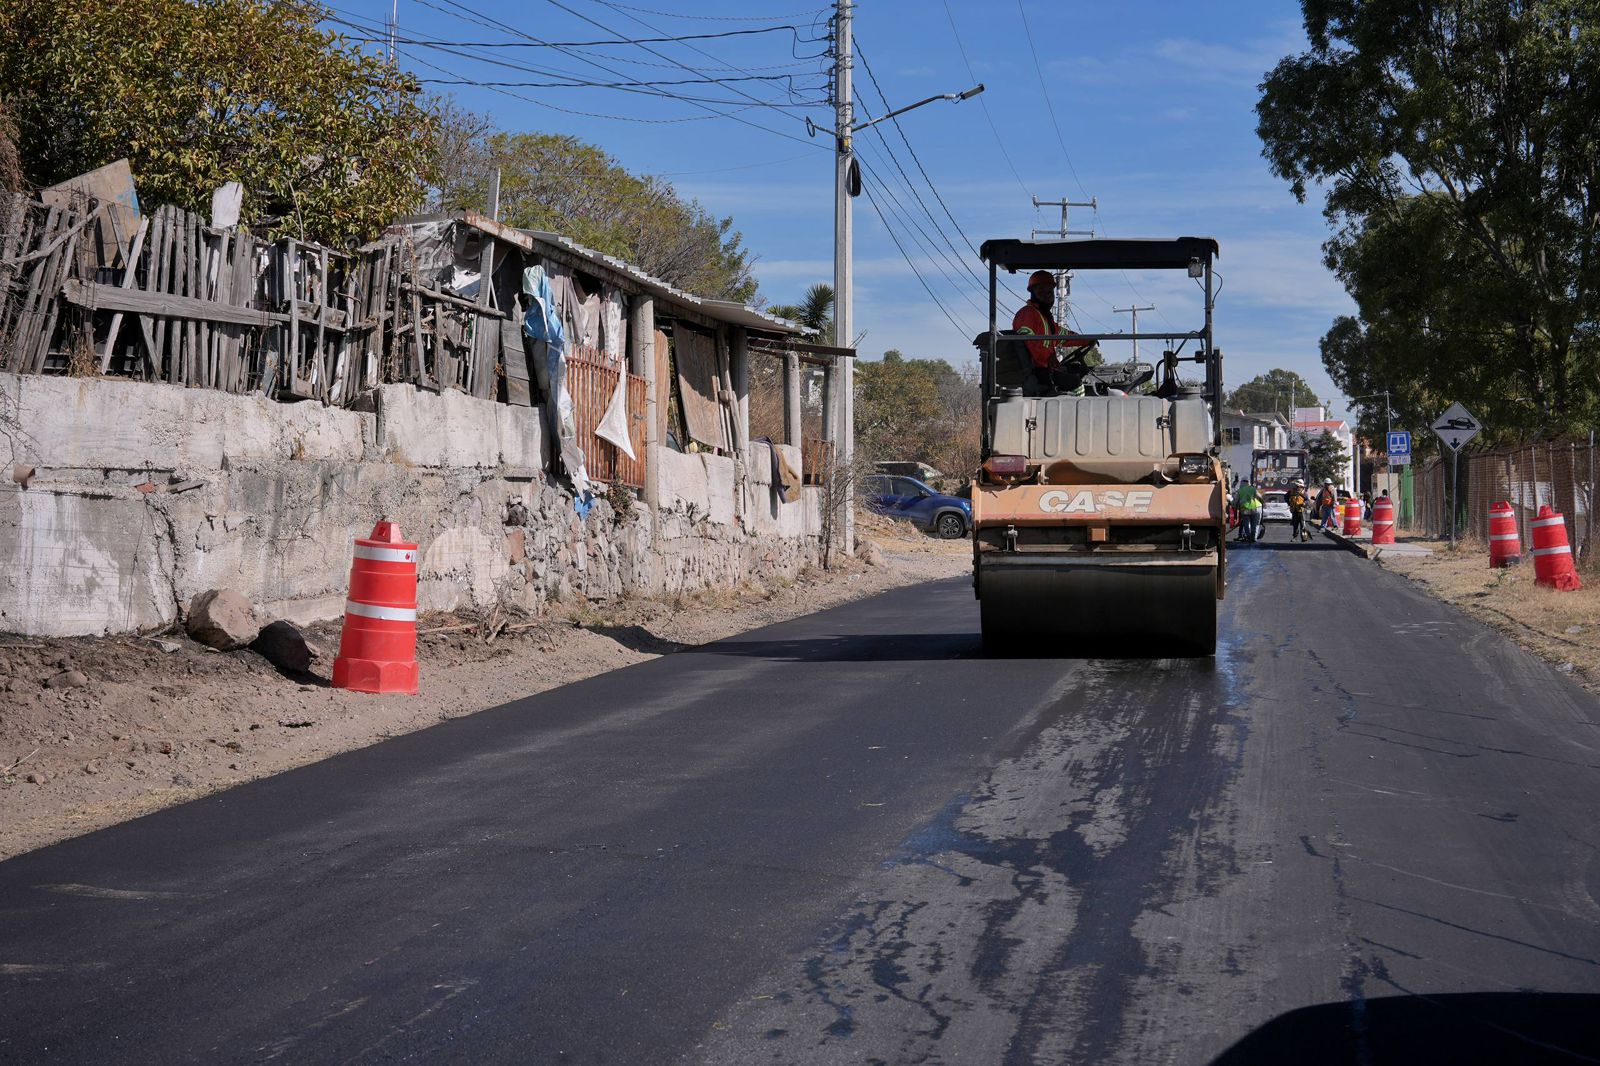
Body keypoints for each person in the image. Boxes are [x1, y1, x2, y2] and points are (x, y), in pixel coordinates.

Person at [1013, 270, 1098, 395]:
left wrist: (1088, 339)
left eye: (1049, 291)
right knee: (1075, 383)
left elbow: (1065, 336)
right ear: (1032, 293)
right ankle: (1077, 413)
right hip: (1036, 372)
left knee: (1079, 370)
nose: (1046, 295)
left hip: (1046, 369)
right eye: (1041, 291)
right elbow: (1028, 342)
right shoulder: (1027, 314)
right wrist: (1048, 359)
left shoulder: (1046, 319)